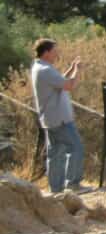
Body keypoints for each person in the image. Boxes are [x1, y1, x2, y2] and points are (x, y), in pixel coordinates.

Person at [30, 38, 86, 194]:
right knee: (76, 148)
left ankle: (56, 189)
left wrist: (70, 69)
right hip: (60, 119)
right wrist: (78, 70)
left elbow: (59, 81)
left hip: (49, 119)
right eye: (55, 50)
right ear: (46, 52)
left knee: (55, 154)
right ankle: (73, 184)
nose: (57, 53)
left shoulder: (40, 68)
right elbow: (69, 85)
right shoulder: (45, 70)